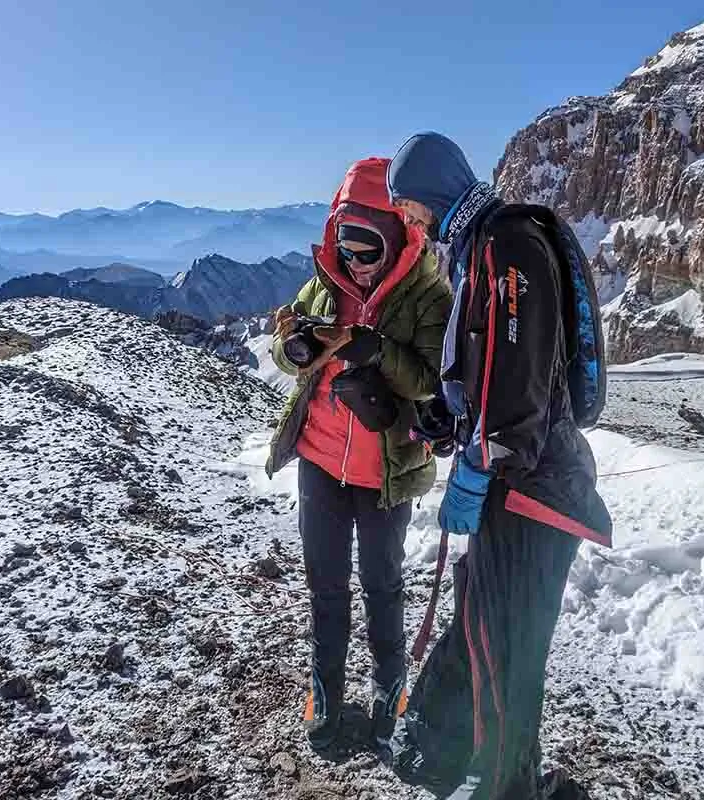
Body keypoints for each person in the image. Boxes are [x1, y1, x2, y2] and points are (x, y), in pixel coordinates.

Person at [385, 132, 613, 799]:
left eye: (408, 208)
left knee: (505, 645)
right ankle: (471, 760)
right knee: (495, 634)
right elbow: (491, 371)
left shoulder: (506, 245)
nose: (409, 223)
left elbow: (516, 381)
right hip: (524, 482)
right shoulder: (482, 245)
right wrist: (445, 417)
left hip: (527, 489)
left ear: (431, 194)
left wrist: (480, 464)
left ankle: (509, 786)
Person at [265, 157, 453, 752]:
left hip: (387, 473)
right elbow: (285, 349)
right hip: (322, 461)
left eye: (367, 248)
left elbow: (433, 382)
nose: (355, 261)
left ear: (397, 237)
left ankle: (388, 688)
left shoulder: (429, 293)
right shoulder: (324, 283)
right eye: (346, 245)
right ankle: (325, 689)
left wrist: (376, 353)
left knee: (382, 584)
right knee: (325, 583)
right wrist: (294, 348)